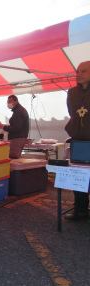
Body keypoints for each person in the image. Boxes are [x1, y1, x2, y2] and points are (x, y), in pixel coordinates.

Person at [64, 61, 90, 221]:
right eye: (77, 71)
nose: (78, 74)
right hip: (78, 141)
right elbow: (71, 112)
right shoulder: (71, 92)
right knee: (79, 177)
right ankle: (80, 210)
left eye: (83, 71)